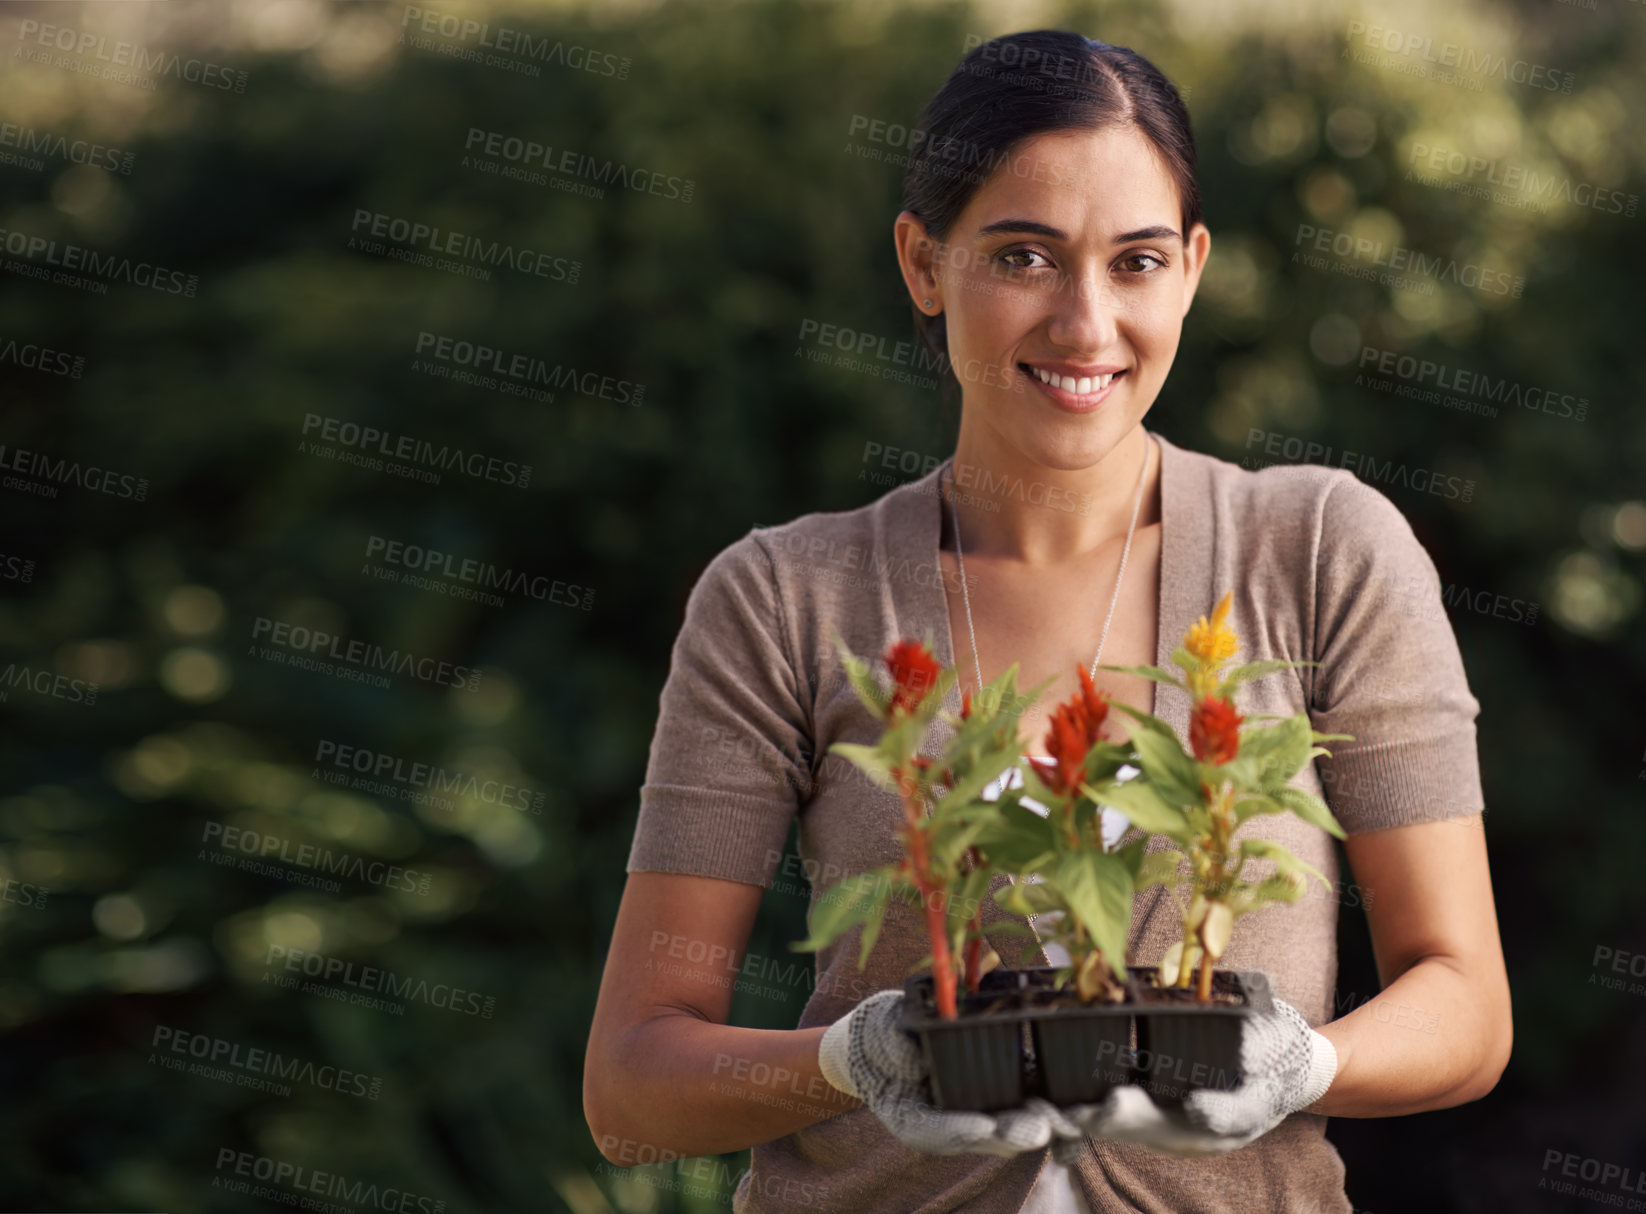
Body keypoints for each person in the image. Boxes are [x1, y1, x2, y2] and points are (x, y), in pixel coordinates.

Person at [584, 29, 1511, 1214]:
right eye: (1022, 255)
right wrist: (847, 1060)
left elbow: (1465, 1004)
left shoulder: (1319, 550)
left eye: (1133, 262)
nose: (1084, 323)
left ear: (1190, 268)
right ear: (923, 264)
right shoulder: (783, 596)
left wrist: (1299, 1064)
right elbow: (631, 1086)